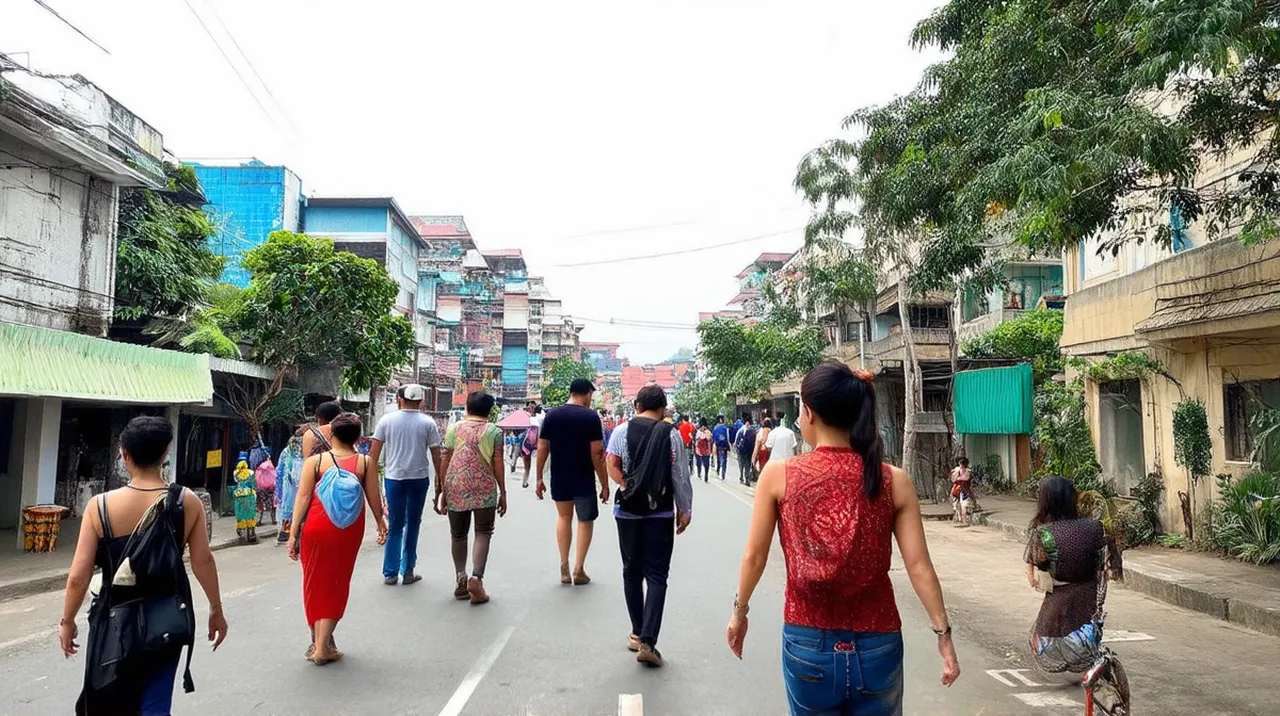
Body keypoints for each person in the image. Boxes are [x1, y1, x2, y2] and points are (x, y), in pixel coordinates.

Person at [725, 362, 960, 714]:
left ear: (808, 413)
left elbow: (754, 558)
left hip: (807, 642)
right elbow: (919, 566)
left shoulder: (778, 476)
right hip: (878, 643)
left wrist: (739, 614)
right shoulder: (893, 480)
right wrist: (944, 637)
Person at [61, 416, 228, 714]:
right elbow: (203, 561)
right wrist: (216, 609)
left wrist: (68, 621)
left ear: (124, 454)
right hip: (166, 619)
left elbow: (78, 576)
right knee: (155, 701)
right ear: (166, 451)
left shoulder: (99, 507)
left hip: (114, 620)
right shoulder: (185, 501)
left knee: (109, 697)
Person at [288, 413, 388, 665]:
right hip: (348, 529)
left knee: (314, 580)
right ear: (357, 437)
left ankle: (317, 642)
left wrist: (293, 533)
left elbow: (302, 497)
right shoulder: (364, 462)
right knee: (337, 582)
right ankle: (323, 646)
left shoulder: (315, 462)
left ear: (331, 434)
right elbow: (374, 497)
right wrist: (380, 522)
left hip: (315, 526)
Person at [606, 386, 693, 668]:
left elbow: (612, 463)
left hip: (627, 512)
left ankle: (636, 630)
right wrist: (685, 508)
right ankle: (648, 640)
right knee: (657, 575)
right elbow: (680, 474)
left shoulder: (620, 432)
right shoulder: (672, 435)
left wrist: (624, 485)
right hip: (660, 512)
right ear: (664, 408)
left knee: (631, 572)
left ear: (637, 405)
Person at [1025, 476, 1124, 675]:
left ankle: (1080, 660)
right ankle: (1093, 659)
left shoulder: (1044, 533)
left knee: (1044, 633)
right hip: (1091, 592)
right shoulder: (1095, 527)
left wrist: (1033, 577)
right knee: (1087, 625)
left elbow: (1037, 561)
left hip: (1060, 594)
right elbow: (1108, 555)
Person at [536, 379, 610, 585]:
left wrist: (539, 477)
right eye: (591, 396)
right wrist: (604, 483)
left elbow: (542, 447)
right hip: (583, 478)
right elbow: (597, 453)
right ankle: (579, 568)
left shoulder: (552, 416)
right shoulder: (590, 417)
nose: (590, 400)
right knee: (585, 521)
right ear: (586, 394)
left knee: (563, 517)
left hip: (560, 476)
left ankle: (563, 565)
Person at [369, 384, 443, 586]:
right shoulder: (428, 423)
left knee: (395, 525)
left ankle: (390, 573)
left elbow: (373, 456)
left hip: (394, 479)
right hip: (419, 479)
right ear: (421, 401)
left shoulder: (386, 421)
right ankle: (408, 570)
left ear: (399, 399)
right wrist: (440, 482)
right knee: (413, 523)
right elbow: (437, 455)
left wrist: (370, 480)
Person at [439, 391, 508, 605]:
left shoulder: (453, 429)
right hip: (484, 487)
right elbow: (498, 462)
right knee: (483, 532)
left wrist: (441, 490)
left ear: (467, 407)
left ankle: (461, 579)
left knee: (458, 534)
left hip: (456, 486)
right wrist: (503, 492)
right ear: (490, 410)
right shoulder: (494, 431)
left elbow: (445, 459)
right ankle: (476, 578)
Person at [520, 402, 542, 489]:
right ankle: (525, 482)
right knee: (527, 465)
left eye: (533, 407)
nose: (531, 408)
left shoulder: (539, 418)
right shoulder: (523, 418)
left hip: (537, 444)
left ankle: (539, 482)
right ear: (528, 408)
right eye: (530, 407)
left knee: (540, 464)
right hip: (525, 444)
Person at [734, 416, 758, 485]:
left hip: (741, 451)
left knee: (741, 465)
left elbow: (736, 441)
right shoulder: (753, 430)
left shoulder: (741, 430)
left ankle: (741, 477)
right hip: (749, 451)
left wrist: (736, 448)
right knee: (747, 465)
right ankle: (747, 478)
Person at [950, 457, 973, 526]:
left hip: (957, 488)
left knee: (957, 503)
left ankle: (960, 518)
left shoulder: (956, 470)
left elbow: (953, 480)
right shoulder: (968, 471)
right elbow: (968, 480)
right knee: (964, 504)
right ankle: (964, 519)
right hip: (964, 488)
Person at [694, 418, 714, 482]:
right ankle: (703, 474)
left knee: (703, 463)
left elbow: (697, 441)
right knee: (705, 463)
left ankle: (702, 474)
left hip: (702, 451)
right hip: (705, 450)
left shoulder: (700, 432)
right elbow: (710, 439)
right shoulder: (706, 431)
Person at [712, 415, 731, 480]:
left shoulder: (715, 428)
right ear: (720, 420)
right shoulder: (725, 428)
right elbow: (728, 438)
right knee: (724, 460)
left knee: (719, 459)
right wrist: (729, 447)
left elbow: (713, 438)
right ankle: (722, 474)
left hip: (717, 446)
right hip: (724, 446)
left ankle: (718, 470)